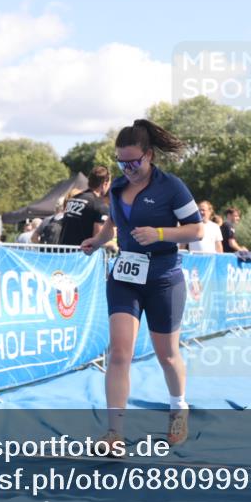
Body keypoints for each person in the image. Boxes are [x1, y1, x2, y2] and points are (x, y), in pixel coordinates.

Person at [80, 119, 203, 452]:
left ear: (149, 155)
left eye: (134, 161)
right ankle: (114, 433)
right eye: (122, 162)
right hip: (125, 277)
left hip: (163, 279)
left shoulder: (172, 186)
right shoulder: (118, 187)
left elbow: (197, 230)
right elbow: (113, 221)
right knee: (119, 352)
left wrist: (160, 234)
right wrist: (98, 239)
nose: (128, 168)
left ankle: (179, 406)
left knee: (167, 355)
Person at [60, 166, 112, 247]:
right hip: (83, 256)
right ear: (105, 184)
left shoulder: (73, 199)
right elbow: (98, 238)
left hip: (65, 253)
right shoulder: (100, 205)